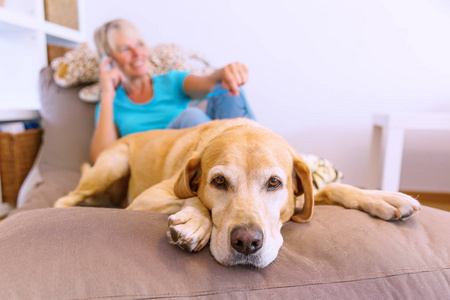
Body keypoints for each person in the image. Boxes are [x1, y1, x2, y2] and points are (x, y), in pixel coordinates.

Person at [91, 19, 255, 163]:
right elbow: (101, 160)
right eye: (125, 49)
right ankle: (235, 165)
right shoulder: (111, 104)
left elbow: (210, 82)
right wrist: (107, 94)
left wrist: (223, 73)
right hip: (158, 165)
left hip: (196, 154)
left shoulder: (171, 81)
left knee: (226, 87)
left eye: (140, 44)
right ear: (108, 60)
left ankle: (254, 159)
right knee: (191, 116)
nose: (137, 53)